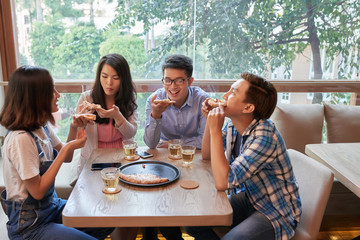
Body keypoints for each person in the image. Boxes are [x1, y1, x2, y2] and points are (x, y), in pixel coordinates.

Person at [0, 66, 114, 239]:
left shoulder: (41, 126)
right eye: (52, 90)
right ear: (36, 96)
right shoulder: (20, 139)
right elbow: (37, 191)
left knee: (107, 219)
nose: (58, 94)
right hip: (31, 226)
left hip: (51, 208)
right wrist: (67, 148)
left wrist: (74, 128)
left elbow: (67, 157)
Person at [186, 72, 302, 240]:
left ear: (248, 108)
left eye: (233, 92)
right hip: (250, 197)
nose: (224, 95)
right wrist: (208, 122)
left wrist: (215, 130)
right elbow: (207, 155)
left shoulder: (265, 137)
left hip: (276, 210)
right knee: (193, 224)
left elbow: (222, 182)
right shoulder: (234, 124)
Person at [67, 53, 139, 240]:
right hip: (92, 165)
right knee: (97, 213)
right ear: (99, 76)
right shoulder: (87, 98)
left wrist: (117, 116)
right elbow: (75, 138)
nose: (109, 83)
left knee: (126, 214)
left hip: (121, 164)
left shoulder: (128, 98)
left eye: (115, 78)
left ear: (123, 79)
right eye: (105, 76)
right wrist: (79, 122)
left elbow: (131, 133)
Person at [144, 54, 209, 149]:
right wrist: (156, 115)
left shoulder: (202, 100)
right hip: (164, 154)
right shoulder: (154, 101)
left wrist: (174, 144)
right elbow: (151, 144)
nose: (173, 86)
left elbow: (206, 140)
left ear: (190, 81)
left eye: (179, 81)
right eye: (167, 80)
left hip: (192, 154)